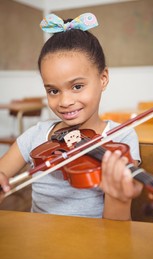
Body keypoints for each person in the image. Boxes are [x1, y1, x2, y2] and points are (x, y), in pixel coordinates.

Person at [0, 13, 142, 220]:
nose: (65, 102)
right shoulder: (36, 136)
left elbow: (116, 231)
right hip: (38, 244)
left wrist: (119, 197)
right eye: (53, 91)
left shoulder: (121, 139)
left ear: (103, 79)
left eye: (77, 86)